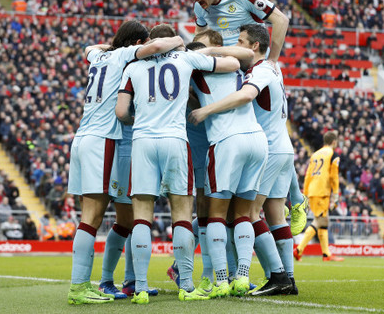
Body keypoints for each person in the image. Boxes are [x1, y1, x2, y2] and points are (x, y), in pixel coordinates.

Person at [115, 24, 240, 304]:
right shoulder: (186, 58)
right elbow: (232, 63)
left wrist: (138, 122)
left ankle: (142, 288)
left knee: (142, 217)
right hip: (175, 140)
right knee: (182, 214)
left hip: (143, 142)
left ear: (150, 42)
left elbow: (121, 111)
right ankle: (186, 285)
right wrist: (211, 50)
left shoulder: (133, 67)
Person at [67, 20, 184, 305]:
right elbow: (155, 46)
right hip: (104, 139)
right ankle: (81, 286)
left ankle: (113, 282)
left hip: (82, 137)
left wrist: (112, 45)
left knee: (104, 217)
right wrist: (179, 40)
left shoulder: (100, 56)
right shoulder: (124, 57)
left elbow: (88, 48)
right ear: (135, 44)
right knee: (93, 217)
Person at [188, 24, 298, 296]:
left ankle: (264, 276)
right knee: (269, 215)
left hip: (257, 144)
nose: (235, 45)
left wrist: (205, 110)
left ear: (253, 47)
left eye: (240, 41)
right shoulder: (266, 67)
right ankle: (280, 277)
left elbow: (247, 94)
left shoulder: (257, 71)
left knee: (235, 214)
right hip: (270, 143)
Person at [188, 30, 267, 298]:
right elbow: (246, 54)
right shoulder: (235, 64)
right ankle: (242, 277)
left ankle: (221, 280)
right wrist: (216, 50)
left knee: (216, 215)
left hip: (226, 141)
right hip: (257, 139)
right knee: (244, 214)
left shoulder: (194, 69)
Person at [184, 0, 289, 62]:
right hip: (228, 67)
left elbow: (281, 20)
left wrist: (272, 60)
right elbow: (199, 33)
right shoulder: (199, 5)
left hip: (255, 66)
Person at [294, 130, 344, 262]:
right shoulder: (333, 154)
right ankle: (299, 249)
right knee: (319, 221)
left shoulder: (315, 154)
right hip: (322, 192)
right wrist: (336, 194)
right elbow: (334, 176)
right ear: (334, 142)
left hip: (312, 191)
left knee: (323, 221)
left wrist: (305, 192)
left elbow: (308, 175)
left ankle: (326, 254)